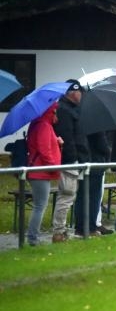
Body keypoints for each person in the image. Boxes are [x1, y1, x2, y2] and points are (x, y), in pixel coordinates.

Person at [52, 79, 89, 243]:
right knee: (66, 195)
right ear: (74, 92)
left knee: (69, 196)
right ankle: (59, 232)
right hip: (69, 160)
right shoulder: (65, 111)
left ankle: (62, 230)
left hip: (74, 159)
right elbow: (68, 137)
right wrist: (74, 158)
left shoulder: (70, 109)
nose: (81, 95)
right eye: (80, 92)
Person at [26, 103, 62, 246]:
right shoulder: (44, 126)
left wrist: (57, 142)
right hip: (40, 171)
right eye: (54, 111)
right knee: (39, 206)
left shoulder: (39, 124)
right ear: (50, 112)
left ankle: (33, 238)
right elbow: (44, 150)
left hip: (38, 170)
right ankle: (33, 239)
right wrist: (53, 167)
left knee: (39, 205)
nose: (56, 115)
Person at [74, 131, 111, 237]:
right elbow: (102, 145)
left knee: (81, 197)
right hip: (95, 164)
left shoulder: (79, 125)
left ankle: (79, 228)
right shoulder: (96, 127)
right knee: (94, 198)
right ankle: (90, 227)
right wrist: (108, 153)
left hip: (82, 163)